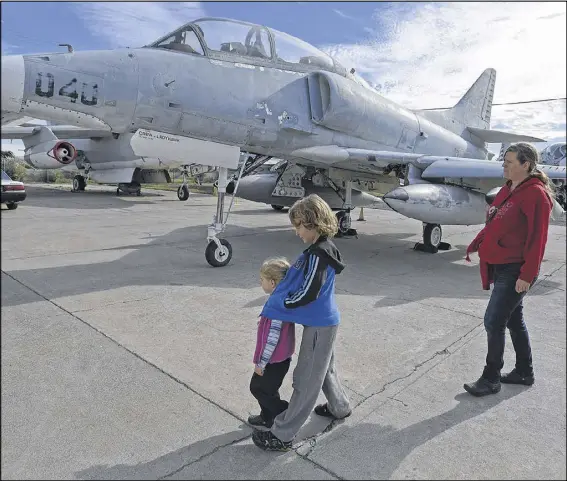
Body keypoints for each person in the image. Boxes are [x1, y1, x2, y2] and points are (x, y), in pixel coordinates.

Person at [252, 194, 352, 452]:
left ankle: (283, 434)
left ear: (313, 223)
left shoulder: (319, 253)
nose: (296, 231)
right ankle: (339, 407)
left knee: (306, 378)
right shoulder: (324, 246)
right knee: (324, 370)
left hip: (319, 325)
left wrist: (284, 304)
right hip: (325, 321)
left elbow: (309, 290)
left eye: (298, 225)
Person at [464, 142, 554, 397]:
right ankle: (524, 372)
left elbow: (538, 238)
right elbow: (494, 221)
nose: (503, 165)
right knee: (514, 319)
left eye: (509, 162)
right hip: (500, 263)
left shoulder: (536, 194)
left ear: (525, 165)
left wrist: (527, 275)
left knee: (493, 320)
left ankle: (491, 377)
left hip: (516, 268)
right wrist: (476, 243)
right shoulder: (508, 188)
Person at [249, 257, 294, 429]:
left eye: (262, 280)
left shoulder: (277, 305)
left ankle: (283, 410)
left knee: (258, 388)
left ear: (273, 282)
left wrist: (262, 362)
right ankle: (267, 417)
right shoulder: (281, 298)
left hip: (273, 360)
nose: (260, 282)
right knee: (268, 389)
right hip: (278, 359)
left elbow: (272, 339)